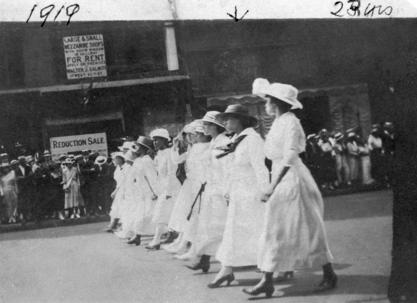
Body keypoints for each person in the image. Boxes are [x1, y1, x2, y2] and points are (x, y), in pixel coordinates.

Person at [243, 78, 337, 298]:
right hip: (280, 177)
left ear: (276, 103)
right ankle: (266, 279)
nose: (265, 103)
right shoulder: (278, 122)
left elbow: (290, 156)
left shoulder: (291, 122)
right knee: (274, 228)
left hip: (292, 178)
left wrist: (272, 186)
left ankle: (329, 273)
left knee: (308, 228)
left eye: (268, 100)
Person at [208, 104, 269, 288]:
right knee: (234, 232)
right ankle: (227, 270)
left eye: (229, 118)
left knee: (257, 232)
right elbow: (231, 169)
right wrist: (227, 190)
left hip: (251, 193)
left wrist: (265, 191)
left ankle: (270, 270)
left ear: (240, 120)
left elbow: (260, 167)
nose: (225, 122)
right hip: (238, 193)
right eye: (224, 119)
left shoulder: (252, 139)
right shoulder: (236, 139)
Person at [187, 111, 230, 273]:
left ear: (215, 126)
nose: (204, 127)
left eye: (206, 124)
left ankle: (225, 265)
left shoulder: (224, 142)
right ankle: (204, 259)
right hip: (210, 190)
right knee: (208, 226)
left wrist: (226, 191)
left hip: (220, 190)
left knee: (220, 227)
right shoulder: (213, 142)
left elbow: (226, 168)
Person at [174, 120, 211, 261]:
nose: (193, 137)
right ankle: (193, 249)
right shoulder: (195, 148)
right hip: (196, 186)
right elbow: (179, 161)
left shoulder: (205, 147)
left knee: (201, 220)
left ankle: (196, 251)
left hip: (202, 186)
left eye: (195, 134)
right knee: (195, 219)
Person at [163, 123, 196, 254]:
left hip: (195, 184)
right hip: (189, 184)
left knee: (189, 214)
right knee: (184, 213)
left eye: (190, 135)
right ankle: (181, 241)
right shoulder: (190, 148)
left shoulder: (197, 148)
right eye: (186, 135)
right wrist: (175, 147)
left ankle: (184, 242)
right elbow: (177, 160)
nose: (188, 138)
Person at [146, 128, 181, 250]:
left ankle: (156, 241)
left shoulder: (170, 153)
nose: (155, 143)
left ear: (165, 141)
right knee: (168, 215)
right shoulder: (158, 155)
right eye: (154, 141)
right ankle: (174, 235)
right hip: (162, 188)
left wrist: (169, 191)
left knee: (161, 215)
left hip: (171, 188)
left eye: (157, 140)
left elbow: (172, 173)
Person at [124, 136, 158, 246]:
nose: (136, 148)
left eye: (139, 146)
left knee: (151, 214)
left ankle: (165, 233)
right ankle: (137, 236)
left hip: (148, 191)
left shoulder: (147, 160)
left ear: (144, 148)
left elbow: (152, 177)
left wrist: (154, 192)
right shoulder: (138, 160)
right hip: (140, 191)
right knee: (140, 214)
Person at [105, 152, 128, 233]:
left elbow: (124, 181)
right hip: (119, 189)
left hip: (125, 189)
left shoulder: (126, 167)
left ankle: (118, 225)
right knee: (116, 207)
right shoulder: (118, 168)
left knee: (122, 208)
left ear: (121, 159)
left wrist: (115, 191)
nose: (115, 160)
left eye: (116, 159)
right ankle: (114, 224)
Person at [15, 156, 32, 222]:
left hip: (28, 187)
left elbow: (31, 175)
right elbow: (17, 178)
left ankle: (28, 216)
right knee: (22, 202)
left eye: (24, 161)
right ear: (20, 162)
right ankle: (23, 217)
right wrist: (25, 177)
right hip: (21, 188)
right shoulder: (17, 169)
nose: (24, 162)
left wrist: (23, 177)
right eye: (22, 161)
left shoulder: (28, 167)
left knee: (28, 201)